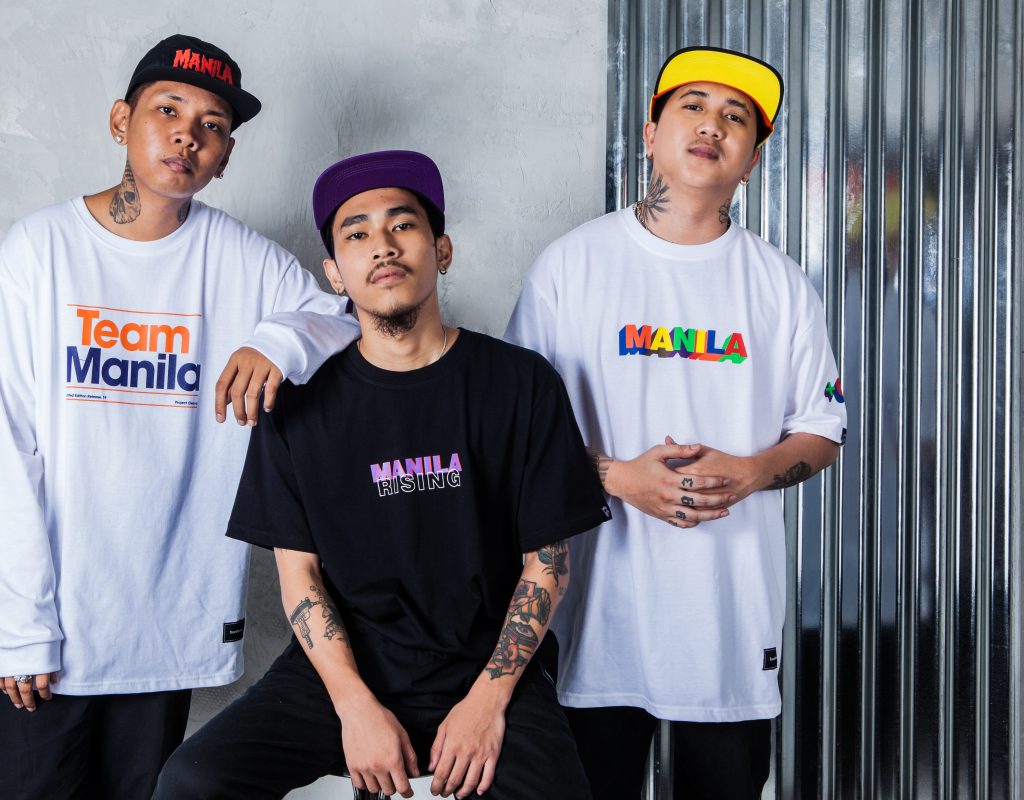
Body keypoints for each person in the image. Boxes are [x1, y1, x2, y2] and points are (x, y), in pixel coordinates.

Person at [0, 33, 359, 799]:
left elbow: (341, 319)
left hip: (161, 627)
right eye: (168, 111)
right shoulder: (40, 250)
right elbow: (6, 448)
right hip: (48, 634)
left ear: (225, 156)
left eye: (212, 125)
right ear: (122, 121)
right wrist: (18, 627)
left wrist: (278, 340)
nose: (188, 135)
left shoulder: (242, 260)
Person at [152, 150, 609, 800]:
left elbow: (548, 565)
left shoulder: (521, 383)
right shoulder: (298, 405)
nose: (383, 246)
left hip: (488, 664)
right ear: (335, 273)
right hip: (346, 666)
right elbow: (300, 578)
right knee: (192, 782)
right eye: (357, 233)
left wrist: (487, 703)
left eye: (403, 225)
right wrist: (354, 706)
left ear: (441, 250)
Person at [504, 47, 847, 799]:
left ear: (751, 162)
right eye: (693, 105)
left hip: (728, 621)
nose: (712, 125)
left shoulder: (781, 285)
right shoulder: (569, 266)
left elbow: (822, 429)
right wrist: (615, 477)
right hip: (594, 618)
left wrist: (753, 471)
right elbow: (512, 431)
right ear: (651, 134)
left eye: (736, 117)